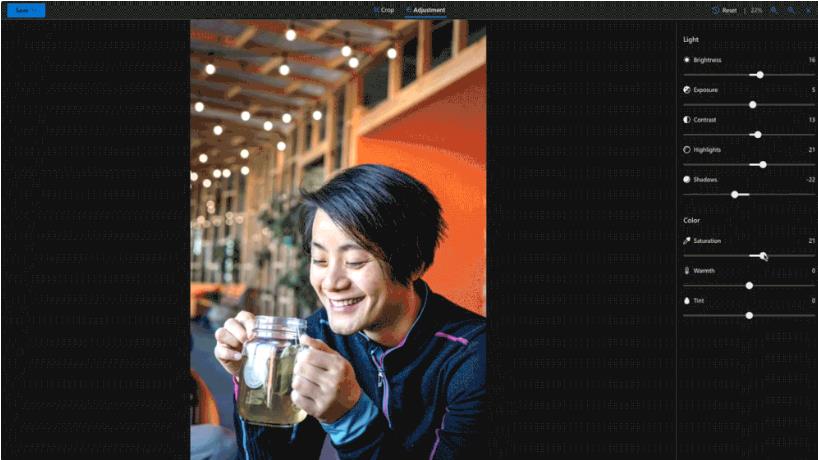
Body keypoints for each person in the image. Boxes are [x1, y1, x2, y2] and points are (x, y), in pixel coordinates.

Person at [213, 164, 486, 459]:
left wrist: (351, 418)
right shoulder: (318, 335)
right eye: (320, 260)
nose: (331, 282)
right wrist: (254, 382)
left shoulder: (473, 358)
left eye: (355, 261)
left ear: (414, 264)